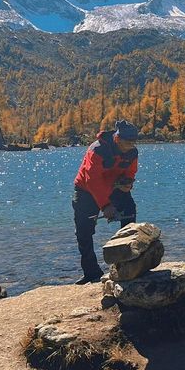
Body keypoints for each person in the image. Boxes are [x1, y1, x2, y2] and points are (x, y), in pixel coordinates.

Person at [72, 120, 139, 284]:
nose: (131, 145)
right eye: (127, 142)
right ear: (117, 138)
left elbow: (131, 171)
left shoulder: (132, 152)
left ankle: (127, 262)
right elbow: (92, 181)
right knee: (84, 232)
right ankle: (91, 273)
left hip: (114, 187)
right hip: (86, 191)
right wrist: (105, 206)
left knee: (130, 211)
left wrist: (128, 183)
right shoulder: (98, 150)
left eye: (133, 142)